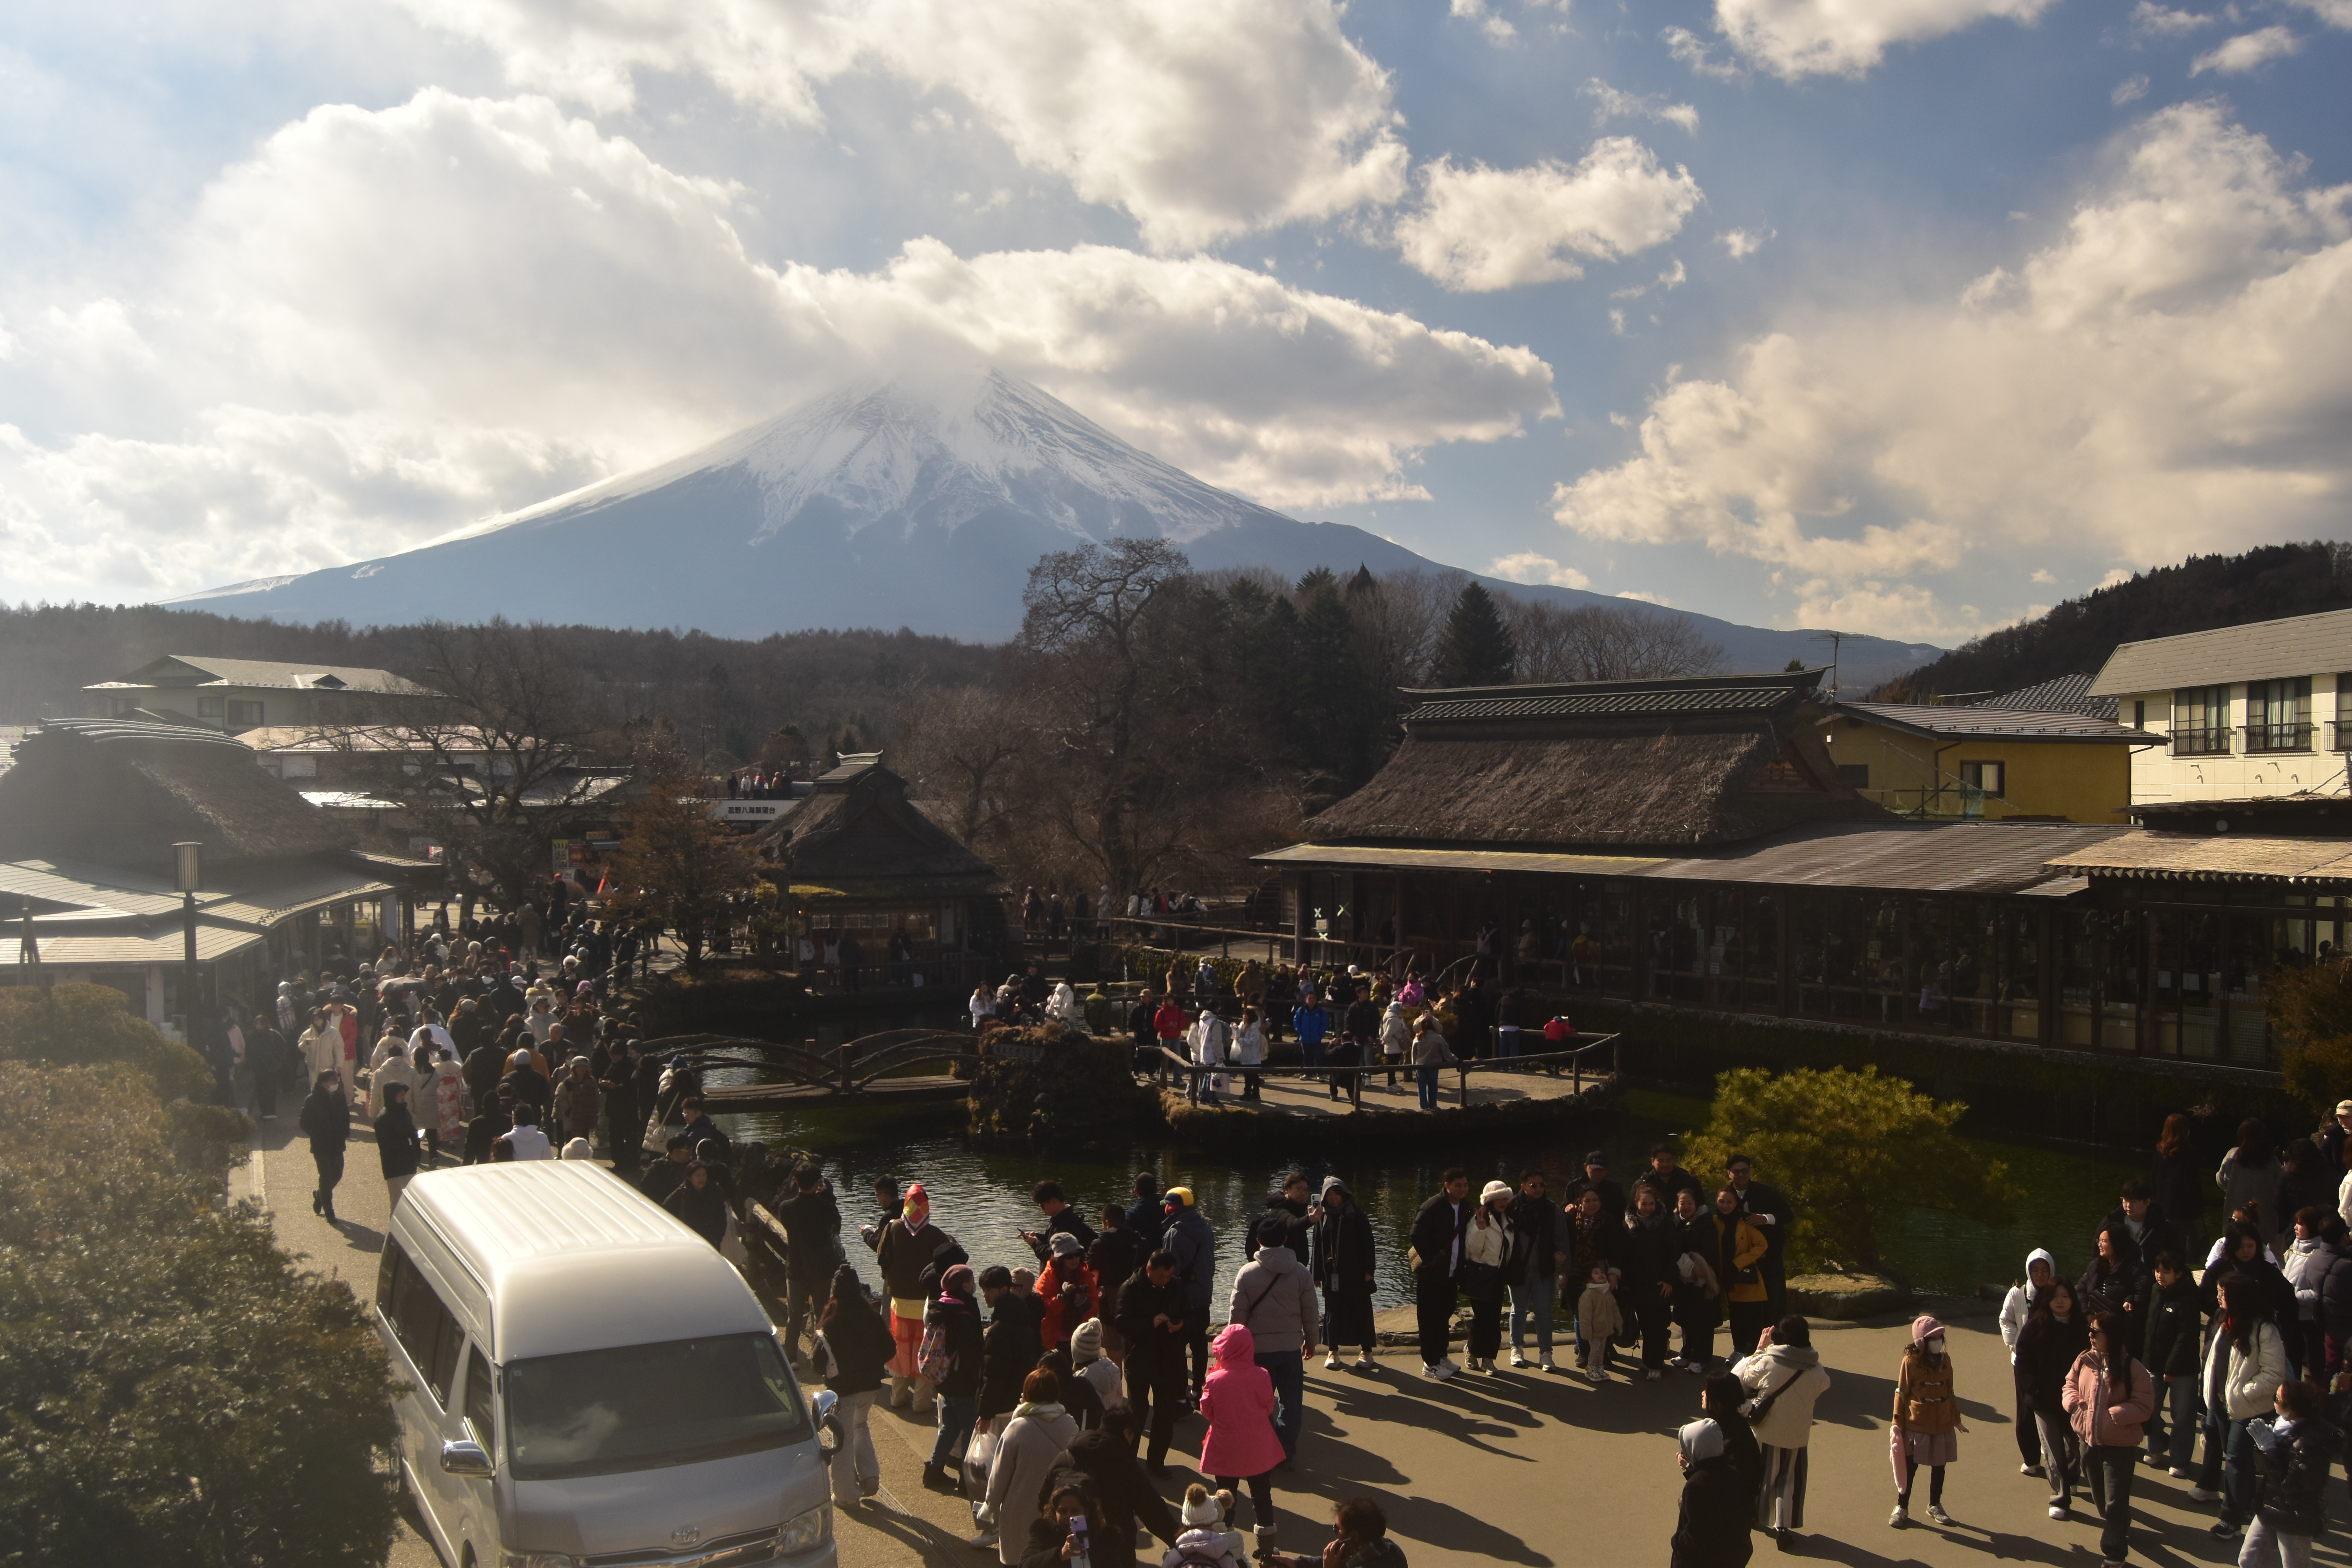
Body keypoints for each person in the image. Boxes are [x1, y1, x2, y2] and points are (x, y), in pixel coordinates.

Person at [2196, 1271, 2290, 1540]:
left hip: (2247, 1408)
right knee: (2236, 1458)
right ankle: (2247, 1505)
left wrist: (2242, 1393)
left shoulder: (2265, 1329)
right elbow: (2214, 1360)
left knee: (2237, 1459)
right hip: (2221, 1404)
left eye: (2223, 1294)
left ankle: (2231, 1520)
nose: (2218, 1297)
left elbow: (2274, 1374)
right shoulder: (2225, 1320)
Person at [1732, 1316, 1831, 1548]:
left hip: (1766, 1432)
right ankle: (1782, 1526)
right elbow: (1824, 1385)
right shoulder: (1816, 1369)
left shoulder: (1769, 1361)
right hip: (1798, 1435)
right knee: (1788, 1481)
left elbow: (1743, 1377)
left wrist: (1760, 1349)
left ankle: (1754, 1515)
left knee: (1762, 1477)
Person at [2062, 1310, 2154, 1560]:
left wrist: (2117, 1414)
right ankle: (2121, 1521)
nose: (2090, 1335)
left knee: (2115, 1500)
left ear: (2111, 1337)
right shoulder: (2084, 1360)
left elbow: (2145, 1404)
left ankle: (2114, 1554)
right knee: (2101, 1499)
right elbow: (2069, 1384)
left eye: (2096, 1332)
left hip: (2120, 1445)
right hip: (2088, 1440)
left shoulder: (2132, 1367)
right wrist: (2072, 1403)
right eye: (2090, 1330)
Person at [1229, 1216, 1319, 1466]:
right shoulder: (1301, 1271)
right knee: (1292, 1405)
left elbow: (1237, 1316)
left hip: (1258, 1351)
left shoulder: (1247, 1273)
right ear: (1287, 1239)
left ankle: (1265, 1451)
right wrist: (1311, 1341)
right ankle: (1286, 1452)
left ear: (1258, 1242)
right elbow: (1311, 1311)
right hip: (1291, 1348)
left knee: (1260, 1405)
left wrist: (1233, 1350)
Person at [1198, 1323, 1283, 1557]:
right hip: (1258, 1446)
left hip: (1227, 1447)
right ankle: (1266, 1548)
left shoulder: (1215, 1380)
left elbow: (1207, 1412)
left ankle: (1227, 1546)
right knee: (1262, 1495)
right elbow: (1268, 1408)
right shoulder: (1262, 1375)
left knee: (1225, 1496)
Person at [815, 1265, 895, 1506]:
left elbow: (818, 1362)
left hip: (843, 1391)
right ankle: (870, 1476)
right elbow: (890, 1349)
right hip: (870, 1387)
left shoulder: (830, 1323)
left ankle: (846, 1495)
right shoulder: (871, 1316)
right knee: (861, 1426)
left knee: (843, 1438)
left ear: (835, 1292)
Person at [978, 1369, 1078, 1563]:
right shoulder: (1070, 1425)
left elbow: (999, 1475)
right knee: (1052, 1561)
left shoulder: (1017, 1429)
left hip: (1019, 1512)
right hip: (1058, 1512)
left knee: (1020, 1560)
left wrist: (990, 1506)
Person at [2241, 1378, 2336, 1568]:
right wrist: (2263, 1449)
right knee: (2249, 1560)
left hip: (2296, 1515)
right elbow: (2263, 1469)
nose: (2273, 1402)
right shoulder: (2280, 1426)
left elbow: (2288, 1484)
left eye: (2277, 1399)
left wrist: (2269, 1449)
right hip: (2271, 1507)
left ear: (2293, 1408)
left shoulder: (2310, 1444)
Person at [878, 1183, 956, 1409]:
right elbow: (954, 1260)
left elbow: (882, 1258)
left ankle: (897, 1397)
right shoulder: (935, 1234)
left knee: (902, 1352)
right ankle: (921, 1403)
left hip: (900, 1304)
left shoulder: (892, 1229)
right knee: (926, 1351)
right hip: (926, 1306)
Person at [2020, 1279, 2089, 1518]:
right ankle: (2060, 1496)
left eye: (2065, 1296)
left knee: (2076, 1446)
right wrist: (2033, 1389)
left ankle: (2071, 1478)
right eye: (2055, 1296)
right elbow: (2023, 1361)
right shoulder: (2035, 1326)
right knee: (2052, 1450)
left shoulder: (2083, 1327)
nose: (2060, 1301)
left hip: (2075, 1400)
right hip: (2043, 1400)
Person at [1116, 1250, 1190, 1474]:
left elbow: (1190, 1315)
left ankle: (1156, 1463)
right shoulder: (1130, 1288)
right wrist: (1150, 1323)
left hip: (1169, 1360)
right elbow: (1121, 1324)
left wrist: (1181, 1325)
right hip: (1139, 1360)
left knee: (1165, 1416)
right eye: (1160, 1277)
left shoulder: (1177, 1286)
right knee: (1136, 1415)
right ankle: (1129, 1463)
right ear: (1149, 1270)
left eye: (1169, 1276)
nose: (1165, 1281)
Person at [1888, 1314, 1960, 1529]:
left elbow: (1949, 1391)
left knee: (1940, 1466)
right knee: (1910, 1467)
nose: (1939, 1341)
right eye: (1933, 1338)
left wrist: (1956, 1419)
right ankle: (1902, 1506)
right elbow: (1902, 1393)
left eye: (1940, 1337)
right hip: (1917, 1423)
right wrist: (1897, 1424)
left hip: (1942, 1422)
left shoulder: (1945, 1360)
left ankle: (1935, 1504)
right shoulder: (1909, 1362)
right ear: (1922, 1341)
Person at [921, 1263, 987, 1493]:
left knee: (950, 1426)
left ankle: (933, 1471)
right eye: (971, 1282)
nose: (974, 1286)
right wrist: (979, 1381)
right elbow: (973, 1355)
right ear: (964, 1285)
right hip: (963, 1383)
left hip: (943, 1378)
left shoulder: (938, 1309)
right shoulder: (965, 1316)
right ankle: (965, 1480)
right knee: (970, 1429)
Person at [1670, 1405, 1757, 1568]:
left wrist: (1676, 1540)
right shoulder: (1734, 1474)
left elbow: (1695, 1536)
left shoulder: (1696, 1486)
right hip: (1733, 1557)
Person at [2144, 1250, 2203, 1478]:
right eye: (2158, 1271)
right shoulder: (2156, 1292)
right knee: (2148, 1409)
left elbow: (2186, 1336)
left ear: (2178, 1274)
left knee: (2183, 1417)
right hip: (2154, 1365)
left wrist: (2171, 1369)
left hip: (2182, 1369)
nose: (2160, 1276)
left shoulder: (2188, 1298)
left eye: (2166, 1272)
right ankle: (2157, 1446)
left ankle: (2180, 1460)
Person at [2000, 1248, 2057, 1476]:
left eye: (2045, 1270)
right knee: (2025, 1408)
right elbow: (2006, 1320)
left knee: (2051, 1408)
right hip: (2023, 1362)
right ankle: (2031, 1459)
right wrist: (2016, 1344)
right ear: (2028, 1271)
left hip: (2052, 1362)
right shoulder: (2017, 1294)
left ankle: (2053, 1453)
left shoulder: (2057, 1294)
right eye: (2036, 1270)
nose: (2040, 1275)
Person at [1410, 1169, 1472, 1379]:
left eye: (1465, 1185)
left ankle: (1441, 1356)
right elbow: (1416, 1235)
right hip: (1432, 1275)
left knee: (1444, 1316)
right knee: (1429, 1320)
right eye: (1458, 1185)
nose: (1462, 1189)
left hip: (1452, 1274)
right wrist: (1432, 1260)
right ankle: (1430, 1363)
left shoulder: (1466, 1207)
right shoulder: (1433, 1206)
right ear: (1447, 1186)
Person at [1313, 1176, 1378, 1372]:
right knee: (1333, 1312)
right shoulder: (1322, 1217)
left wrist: (1370, 1270)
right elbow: (1317, 1245)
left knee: (1362, 1311)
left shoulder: (1356, 1214)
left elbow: (1369, 1243)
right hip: (1332, 1275)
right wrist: (1316, 1274)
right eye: (1330, 1195)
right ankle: (1333, 1351)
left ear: (1344, 1195)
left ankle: (1366, 1352)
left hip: (1357, 1273)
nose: (1334, 1199)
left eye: (1337, 1194)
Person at [1503, 1169, 1564, 1372]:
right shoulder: (1512, 1207)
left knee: (1544, 1313)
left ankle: (1546, 1353)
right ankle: (1517, 1348)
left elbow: (1561, 1237)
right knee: (1518, 1311)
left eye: (1542, 1185)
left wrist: (1560, 1257)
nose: (1539, 1189)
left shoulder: (1551, 1209)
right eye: (1533, 1185)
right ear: (1523, 1187)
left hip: (1543, 1270)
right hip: (1518, 1269)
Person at [1162, 1187, 1217, 1400]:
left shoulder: (1175, 1233)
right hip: (1204, 1294)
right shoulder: (1205, 1227)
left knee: (1177, 1347)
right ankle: (1198, 1389)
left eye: (1167, 1204)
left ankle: (1181, 1395)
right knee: (1200, 1343)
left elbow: (1170, 1271)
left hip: (1183, 1298)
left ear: (1173, 1207)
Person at [1623, 1182, 1680, 1381]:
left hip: (1659, 1282)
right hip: (1638, 1283)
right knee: (1646, 1325)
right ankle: (1648, 1360)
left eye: (1651, 1204)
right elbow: (1625, 1255)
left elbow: (1674, 1253)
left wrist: (1669, 1279)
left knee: (1658, 1325)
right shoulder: (1629, 1223)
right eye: (1644, 1204)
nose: (1648, 1208)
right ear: (1636, 1203)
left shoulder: (1665, 1222)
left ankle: (1656, 1364)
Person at [1725, 1156, 1792, 1322]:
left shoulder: (1765, 1191)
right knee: (1746, 1304)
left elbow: (1788, 1215)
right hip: (1742, 1258)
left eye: (1745, 1171)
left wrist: (1766, 1218)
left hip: (1769, 1256)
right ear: (1729, 1173)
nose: (1741, 1175)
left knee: (1775, 1302)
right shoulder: (1726, 1194)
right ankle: (1749, 1344)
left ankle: (1777, 1340)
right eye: (1736, 1172)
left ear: (1750, 1171)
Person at [980, 1264, 1045, 1430]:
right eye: (983, 1290)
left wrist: (985, 1414)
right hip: (1018, 1400)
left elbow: (994, 1375)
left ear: (1003, 1290)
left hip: (1000, 1408)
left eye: (989, 1290)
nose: (984, 1295)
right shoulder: (1022, 1318)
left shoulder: (999, 1330)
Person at [1261, 1495, 1407, 1568]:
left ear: (1354, 1535)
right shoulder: (1385, 1548)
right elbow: (1333, 1561)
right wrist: (1295, 1564)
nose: (1335, 1532)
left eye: (1337, 1528)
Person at [1459, 1181, 1512, 1374]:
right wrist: (1481, 1230)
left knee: (1494, 1320)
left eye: (1506, 1198)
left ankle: (1489, 1359)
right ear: (1490, 1200)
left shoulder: (1508, 1219)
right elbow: (1471, 1249)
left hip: (1498, 1276)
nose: (1503, 1202)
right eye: (1499, 1198)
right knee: (1482, 1318)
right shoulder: (1479, 1218)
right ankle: (1472, 1351)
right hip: (1481, 1275)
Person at [2221, 1120, 2286, 1249]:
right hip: (2264, 1210)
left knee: (2236, 1243)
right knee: (2260, 1245)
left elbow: (2222, 1179)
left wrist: (2231, 1188)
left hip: (2237, 1208)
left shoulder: (2234, 1155)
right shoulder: (2271, 1159)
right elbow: (2280, 1183)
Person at [299, 1069, 350, 1223]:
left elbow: (346, 1116)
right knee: (326, 1176)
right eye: (333, 1081)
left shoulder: (339, 1097)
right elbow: (304, 1123)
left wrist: (345, 1133)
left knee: (338, 1173)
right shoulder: (312, 1100)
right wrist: (318, 1134)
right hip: (321, 1146)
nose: (336, 1083)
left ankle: (319, 1195)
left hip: (337, 1143)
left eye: (337, 1080)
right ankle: (329, 1211)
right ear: (324, 1083)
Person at [2080, 1222, 2146, 1323]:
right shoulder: (2095, 1266)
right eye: (2100, 1241)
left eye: (2105, 1242)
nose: (2100, 1245)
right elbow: (2081, 1291)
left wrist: (2130, 1301)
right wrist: (2087, 1314)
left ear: (2117, 1244)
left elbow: (2142, 1298)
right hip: (2093, 1323)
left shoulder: (2136, 1270)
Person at [375, 1080, 423, 1212]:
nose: (403, 1097)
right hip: (394, 1167)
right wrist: (406, 1141)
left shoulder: (405, 1113)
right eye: (400, 1095)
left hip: (409, 1163)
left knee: (411, 1202)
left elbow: (412, 1131)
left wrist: (416, 1149)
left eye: (403, 1095)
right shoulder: (383, 1119)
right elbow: (386, 1146)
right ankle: (394, 1232)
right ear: (392, 1097)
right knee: (397, 1203)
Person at [664, 1160, 730, 1249]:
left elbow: (721, 1216)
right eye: (698, 1176)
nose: (702, 1179)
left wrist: (718, 1237)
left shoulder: (714, 1192)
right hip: (689, 1241)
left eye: (704, 1175)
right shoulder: (682, 1193)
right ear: (690, 1178)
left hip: (711, 1241)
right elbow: (665, 1210)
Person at [1409, 1015, 1454, 1111]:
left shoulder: (1418, 1038)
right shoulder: (1438, 1038)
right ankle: (1433, 1105)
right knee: (1433, 1085)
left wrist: (1413, 1064)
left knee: (1422, 1086)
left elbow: (1414, 1053)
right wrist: (1455, 1060)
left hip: (1420, 1065)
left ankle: (1424, 1107)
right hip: (1434, 1064)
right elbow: (1447, 1053)